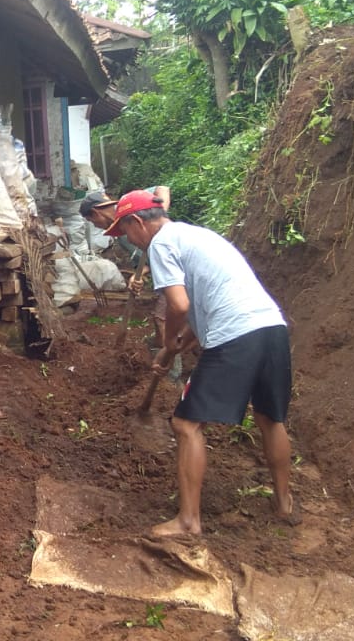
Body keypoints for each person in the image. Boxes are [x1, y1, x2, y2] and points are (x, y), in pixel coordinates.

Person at [105, 190, 297, 536]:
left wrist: (166, 342)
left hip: (235, 335)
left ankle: (188, 521)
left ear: (137, 223)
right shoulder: (199, 235)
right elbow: (202, 307)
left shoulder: (161, 244)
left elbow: (178, 306)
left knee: (185, 424)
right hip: (271, 328)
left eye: (125, 233)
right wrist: (179, 346)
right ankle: (284, 504)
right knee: (270, 417)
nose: (129, 242)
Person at [81, 186, 173, 344]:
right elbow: (148, 261)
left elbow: (162, 189)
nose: (95, 226)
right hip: (167, 272)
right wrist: (139, 275)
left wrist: (159, 216)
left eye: (92, 221)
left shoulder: (130, 203)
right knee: (163, 320)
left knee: (162, 319)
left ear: (96, 212)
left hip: (175, 267)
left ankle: (168, 362)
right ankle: (162, 347)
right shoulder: (123, 238)